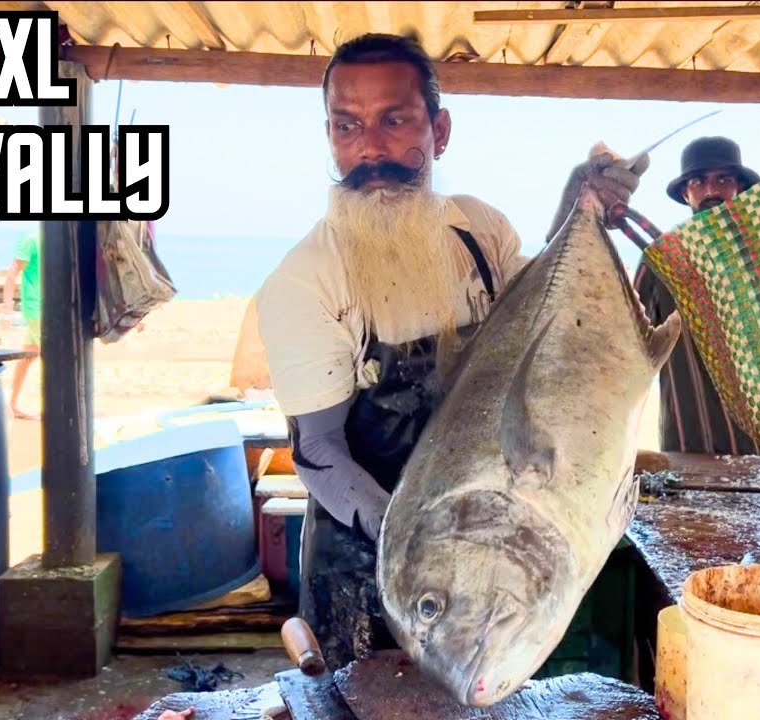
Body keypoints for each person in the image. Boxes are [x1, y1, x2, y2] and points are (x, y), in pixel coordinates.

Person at [254, 33, 646, 669]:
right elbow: (318, 452)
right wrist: (413, 542)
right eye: (346, 126)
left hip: (478, 550)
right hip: (365, 566)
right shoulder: (307, 279)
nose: (370, 148)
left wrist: (581, 212)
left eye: (395, 120)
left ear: (439, 131)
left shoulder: (478, 231)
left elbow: (533, 319)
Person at [632, 136, 760, 456]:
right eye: (699, 182)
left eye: (723, 179)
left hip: (757, 435)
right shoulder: (659, 259)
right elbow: (630, 334)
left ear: (738, 188)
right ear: (686, 193)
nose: (712, 191)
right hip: (686, 433)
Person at [3, 230, 41, 420]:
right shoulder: (31, 240)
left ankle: (12, 404)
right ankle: (53, 407)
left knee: (29, 355)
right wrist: (7, 308)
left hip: (48, 307)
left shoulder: (60, 242)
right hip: (37, 308)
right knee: (53, 358)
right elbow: (12, 273)